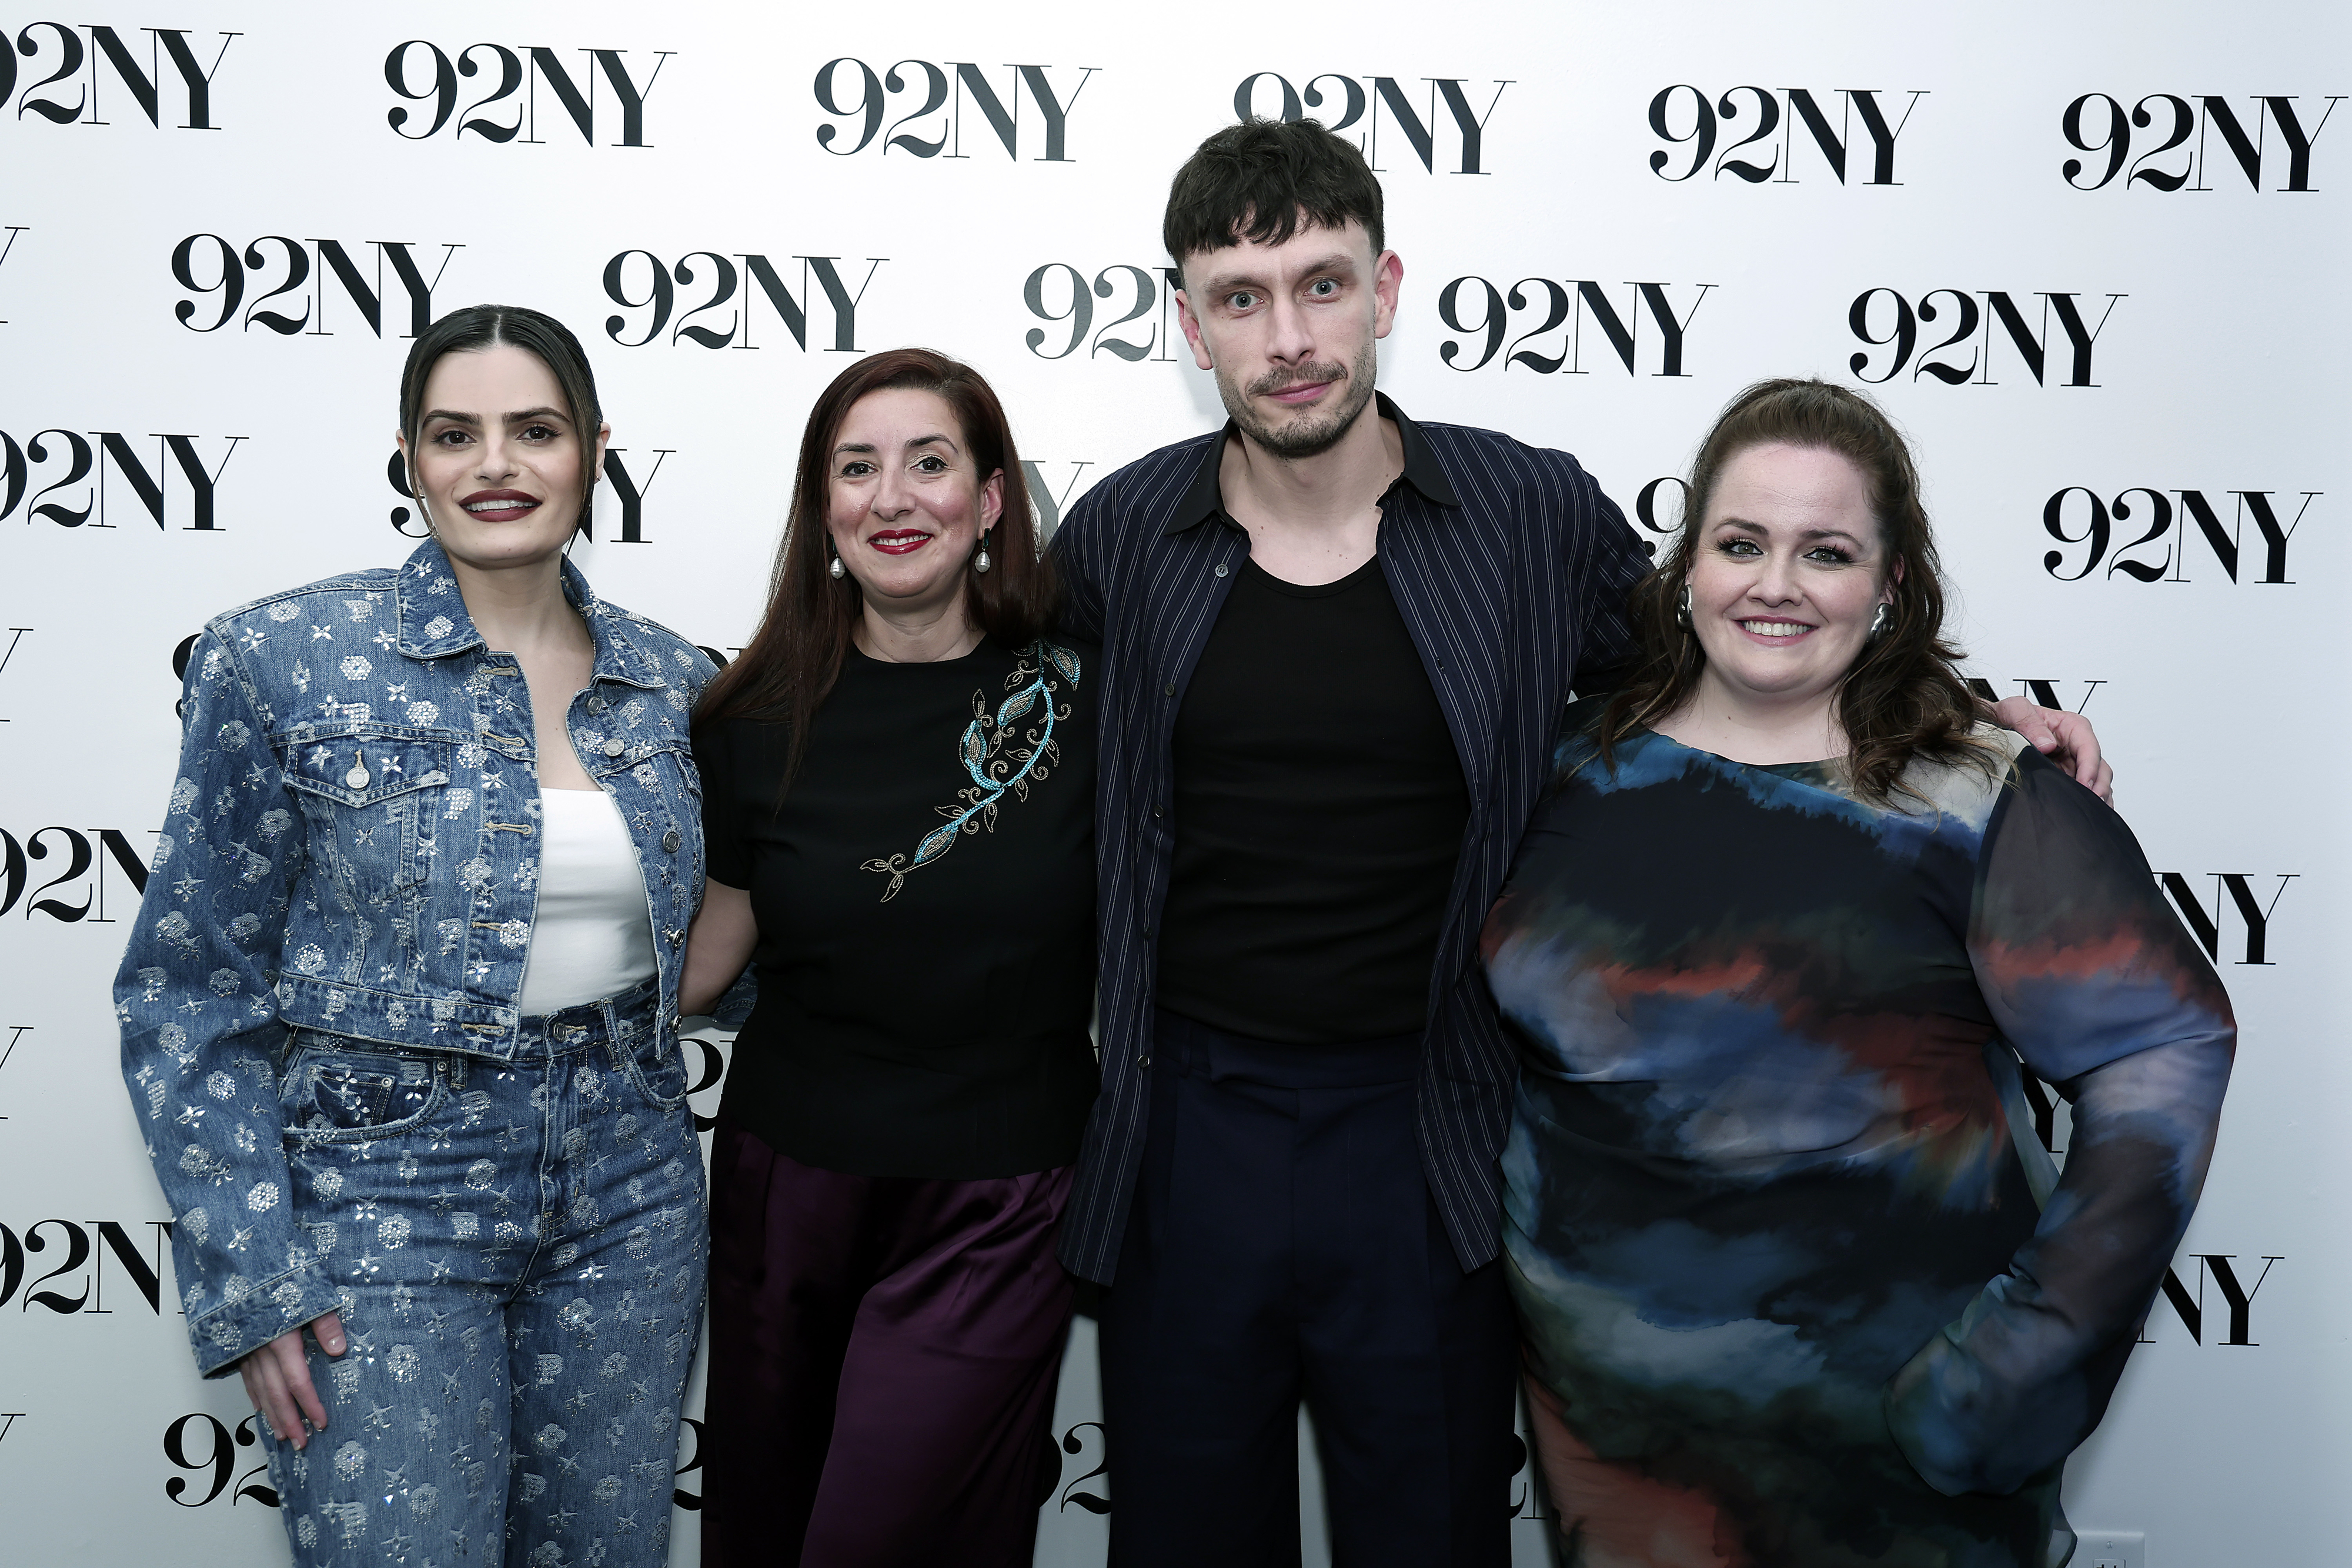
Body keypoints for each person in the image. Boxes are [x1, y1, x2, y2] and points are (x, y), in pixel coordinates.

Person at [1047, 118, 2112, 1567]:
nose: (1287, 335)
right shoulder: (1121, 535)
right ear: (1187, 322)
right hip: (1185, 1127)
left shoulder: (1521, 509)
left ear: (1385, 286)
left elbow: (1730, 662)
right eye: (1240, 297)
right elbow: (1004, 736)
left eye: (1320, 284)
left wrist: (1955, 712)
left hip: (1431, 1133)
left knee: (1426, 1534)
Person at [1481, 378, 2233, 1567]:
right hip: (1615, 1456)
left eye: (1823, 551)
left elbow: (2162, 1044)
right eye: (1740, 542)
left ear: (1888, 583)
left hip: (1899, 1459)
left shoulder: (1976, 795)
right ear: (1687, 562)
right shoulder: (1563, 762)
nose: (1772, 582)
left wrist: (2023, 1361)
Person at [115, 305, 716, 1567]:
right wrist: (255, 1266)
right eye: (456, 434)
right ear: (409, 457)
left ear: (595, 451)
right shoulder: (280, 658)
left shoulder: (677, 684)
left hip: (630, 1200)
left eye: (535, 430)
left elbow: (734, 944)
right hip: (384, 1203)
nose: (495, 464)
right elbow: (188, 988)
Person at [679, 348, 1098, 1568]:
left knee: (889, 1537)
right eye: (855, 468)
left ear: (991, 499)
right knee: (769, 1524)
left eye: (929, 463)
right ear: (822, 505)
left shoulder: (1087, 703)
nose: (892, 497)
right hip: (785, 1192)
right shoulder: (752, 717)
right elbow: (704, 960)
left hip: (1000, 1197)